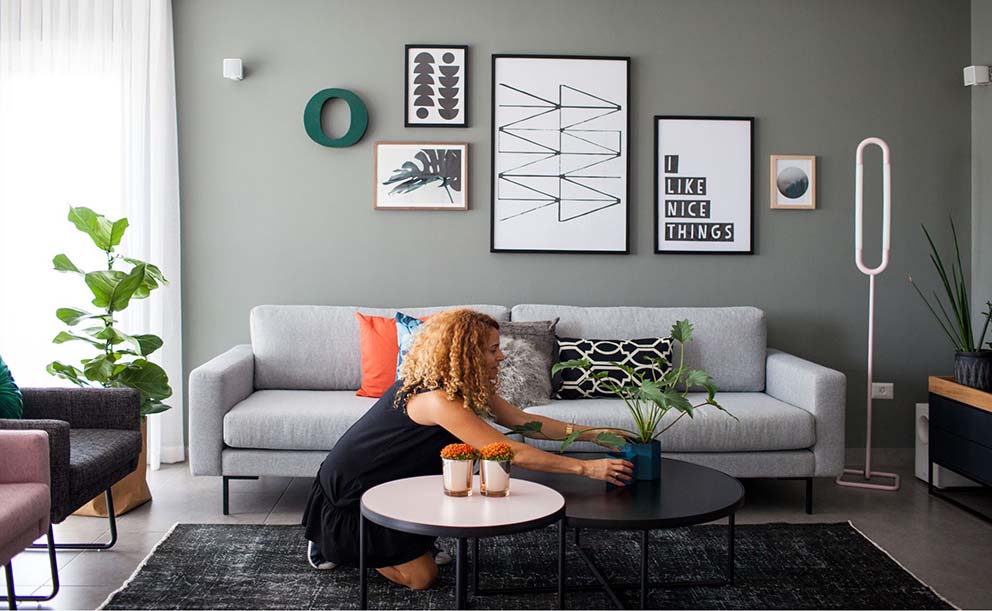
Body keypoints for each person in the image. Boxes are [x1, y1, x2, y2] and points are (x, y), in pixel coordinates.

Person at [301, 308, 634, 590]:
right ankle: (333, 545)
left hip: (401, 484)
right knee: (422, 578)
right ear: (467, 355)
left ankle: (405, 541)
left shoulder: (463, 385)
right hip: (352, 499)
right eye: (493, 350)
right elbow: (510, 451)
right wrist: (586, 468)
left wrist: (592, 434)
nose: (501, 356)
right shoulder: (436, 399)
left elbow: (523, 421)